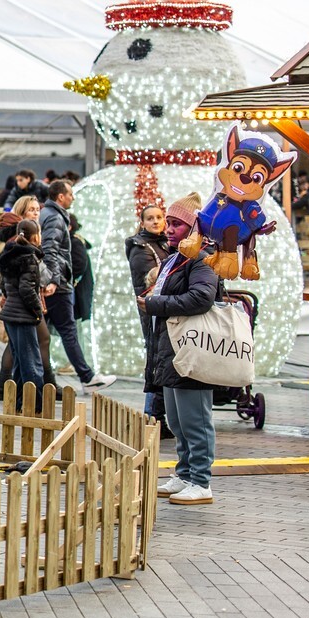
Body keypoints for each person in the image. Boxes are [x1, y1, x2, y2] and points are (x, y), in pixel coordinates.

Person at [139, 192, 220, 505]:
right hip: (173, 350)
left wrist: (155, 304)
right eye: (169, 223)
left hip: (192, 350)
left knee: (194, 420)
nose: (169, 229)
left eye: (177, 224)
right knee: (177, 421)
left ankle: (201, 480)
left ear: (193, 228)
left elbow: (202, 298)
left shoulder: (201, 258)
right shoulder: (176, 258)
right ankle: (185, 473)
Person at [41, 179, 116, 388]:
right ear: (61, 196)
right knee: (68, 331)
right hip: (59, 286)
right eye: (70, 194)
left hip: (55, 283)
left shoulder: (49, 214)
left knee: (40, 333)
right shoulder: (55, 217)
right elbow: (51, 250)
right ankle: (87, 376)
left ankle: (27, 379)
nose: (73, 198)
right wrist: (55, 280)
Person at [125, 201, 175, 435]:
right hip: (153, 311)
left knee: (162, 360)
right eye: (150, 218)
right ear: (142, 222)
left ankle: (156, 416)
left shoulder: (164, 243)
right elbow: (148, 281)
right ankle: (152, 416)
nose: (155, 221)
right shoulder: (140, 247)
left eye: (159, 217)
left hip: (162, 308)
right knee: (157, 361)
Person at [0, 218, 48, 405]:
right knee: (31, 362)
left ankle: (18, 402)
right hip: (23, 316)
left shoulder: (9, 254)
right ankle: (35, 403)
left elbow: (3, 284)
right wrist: (37, 310)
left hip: (10, 314)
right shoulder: (29, 258)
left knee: (19, 360)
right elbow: (27, 289)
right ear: (35, 236)